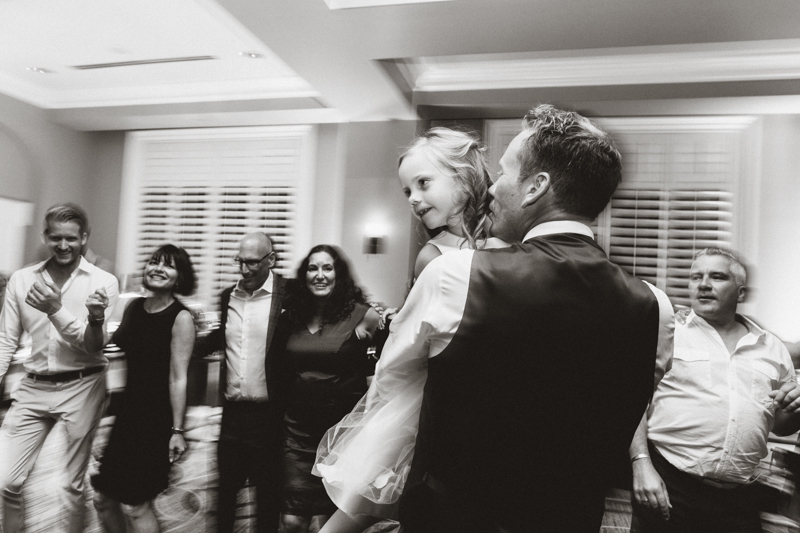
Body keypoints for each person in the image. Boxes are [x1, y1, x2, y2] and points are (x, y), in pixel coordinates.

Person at [336, 104, 673, 533]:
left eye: (505, 172)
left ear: (536, 187)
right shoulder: (655, 307)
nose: (492, 187)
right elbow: (625, 405)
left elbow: (392, 379)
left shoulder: (455, 276)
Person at [314, 127, 508, 533]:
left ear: (463, 178)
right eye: (407, 191)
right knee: (362, 506)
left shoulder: (504, 245)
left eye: (423, 183)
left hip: (479, 402)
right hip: (423, 400)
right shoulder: (432, 255)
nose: (414, 199)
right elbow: (415, 338)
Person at [629, 248, 800, 533]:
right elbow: (633, 403)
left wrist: (795, 408)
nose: (703, 284)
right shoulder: (667, 333)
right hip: (670, 487)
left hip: (740, 497)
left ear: (741, 293)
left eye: (717, 277)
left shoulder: (773, 348)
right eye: (696, 277)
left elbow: (781, 426)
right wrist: (641, 465)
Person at [0, 203, 119, 533]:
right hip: (33, 385)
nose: (63, 246)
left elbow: (92, 344)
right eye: (56, 238)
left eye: (71, 239)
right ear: (45, 237)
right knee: (6, 480)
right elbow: (5, 340)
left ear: (84, 237)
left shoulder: (102, 282)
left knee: (69, 485)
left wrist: (55, 309)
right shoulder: (22, 280)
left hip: (84, 385)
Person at [91, 244, 197, 533]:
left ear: (180, 277)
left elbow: (178, 377)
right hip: (126, 416)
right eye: (154, 262)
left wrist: (177, 431)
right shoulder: (134, 306)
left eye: (168, 265)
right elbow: (113, 357)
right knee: (103, 499)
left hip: (155, 422)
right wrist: (105, 416)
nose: (158, 268)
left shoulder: (181, 317)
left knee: (136, 507)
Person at [279, 245, 380, 533]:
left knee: (328, 523)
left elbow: (376, 375)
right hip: (295, 433)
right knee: (291, 520)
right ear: (304, 275)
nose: (319, 275)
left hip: (339, 435)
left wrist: (369, 425)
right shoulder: (291, 318)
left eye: (327, 268)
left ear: (339, 274)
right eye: (313, 268)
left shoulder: (365, 317)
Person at [203, 232, 288, 533]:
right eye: (240, 261)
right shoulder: (228, 296)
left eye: (252, 263)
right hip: (232, 416)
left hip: (270, 416)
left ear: (271, 260)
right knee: (225, 496)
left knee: (267, 499)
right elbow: (219, 340)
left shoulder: (288, 294)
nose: (244, 269)